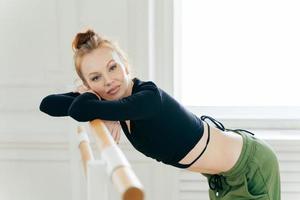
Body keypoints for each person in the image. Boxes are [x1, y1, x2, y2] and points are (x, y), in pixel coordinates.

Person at [39, 29, 281, 200]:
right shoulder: (112, 101)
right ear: (87, 83)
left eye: (112, 67)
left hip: (249, 166)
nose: (109, 80)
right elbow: (48, 104)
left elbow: (81, 109)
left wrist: (91, 96)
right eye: (95, 77)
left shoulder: (148, 96)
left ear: (124, 64)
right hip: (222, 177)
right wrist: (89, 96)